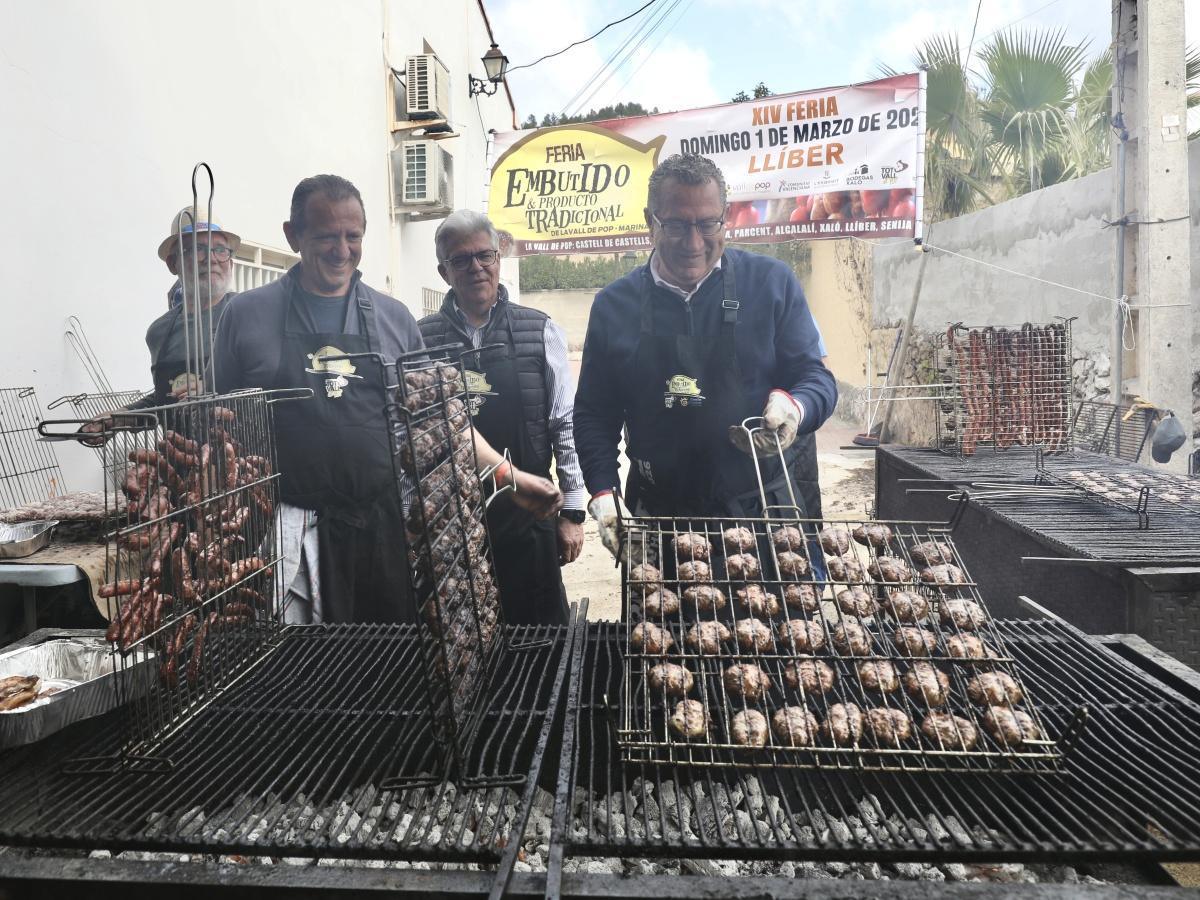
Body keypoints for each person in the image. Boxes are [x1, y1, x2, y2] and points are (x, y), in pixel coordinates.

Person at [213, 174, 560, 624]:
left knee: (383, 673)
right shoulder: (246, 315)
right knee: (298, 674)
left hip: (381, 533)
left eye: (353, 236)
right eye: (325, 237)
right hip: (284, 532)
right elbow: (214, 425)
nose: (342, 250)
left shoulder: (394, 319)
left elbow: (443, 422)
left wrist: (511, 476)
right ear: (292, 235)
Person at [574, 154, 837, 557]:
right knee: (660, 622)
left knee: (779, 620)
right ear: (651, 221)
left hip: (765, 511)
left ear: (725, 217)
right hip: (659, 516)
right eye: (676, 224)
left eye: (707, 223)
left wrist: (795, 406)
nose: (694, 242)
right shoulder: (613, 306)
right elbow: (594, 413)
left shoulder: (771, 283)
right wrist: (603, 491)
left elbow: (816, 379)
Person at [418, 211, 585, 626]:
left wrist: (573, 512)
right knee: (463, 641)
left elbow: (564, 424)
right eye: (461, 260)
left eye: (484, 256)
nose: (476, 267)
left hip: (529, 514)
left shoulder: (540, 330)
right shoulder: (419, 339)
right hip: (450, 524)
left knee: (541, 642)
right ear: (444, 271)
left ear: (500, 257)